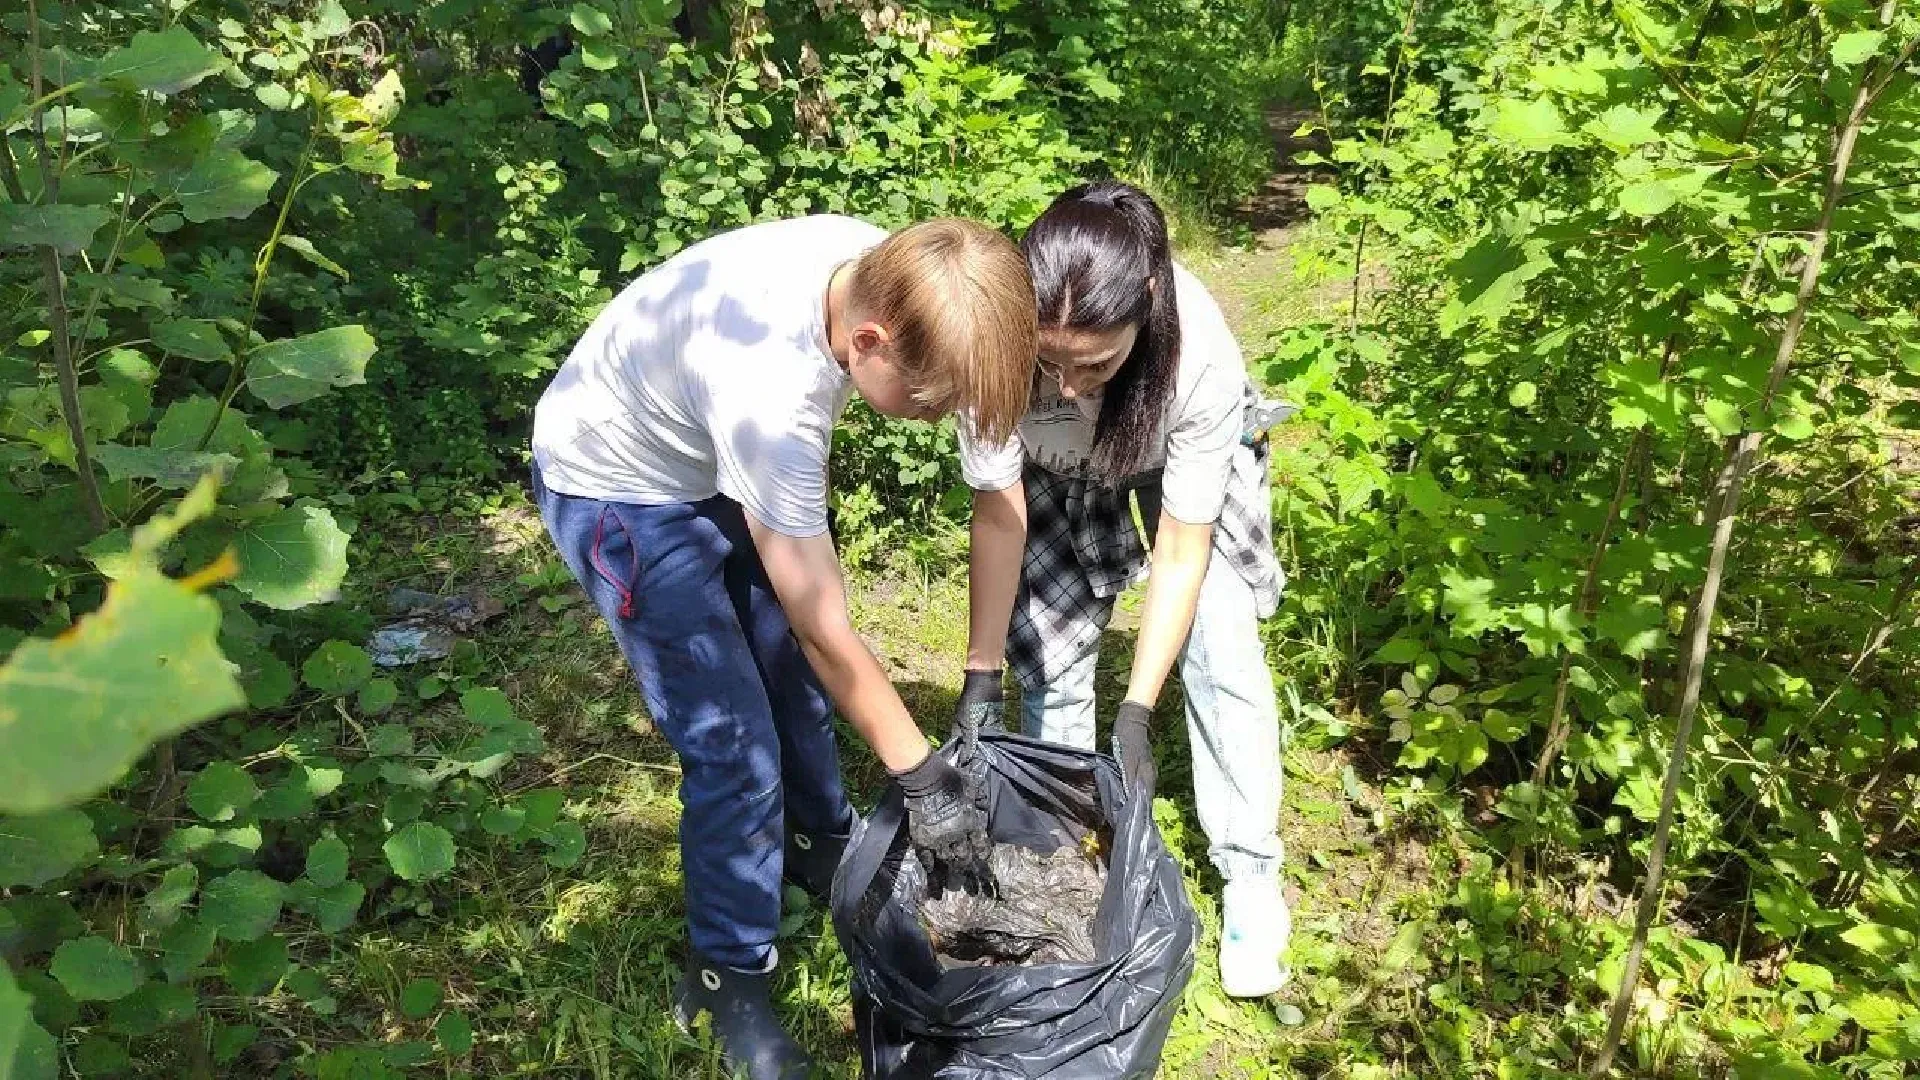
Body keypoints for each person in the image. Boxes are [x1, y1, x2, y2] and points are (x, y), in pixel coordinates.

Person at [530, 215, 1035, 1078]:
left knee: (793, 682)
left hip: (703, 446)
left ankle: (816, 843)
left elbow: (998, 490)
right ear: (867, 341)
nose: (936, 417)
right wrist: (922, 776)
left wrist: (983, 673)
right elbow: (824, 621)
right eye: (928, 402)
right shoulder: (771, 393)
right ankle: (727, 973)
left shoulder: (924, 284)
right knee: (732, 745)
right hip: (618, 482)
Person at [954, 181, 1294, 999]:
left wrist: (1139, 708)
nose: (1067, 385)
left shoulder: (1197, 357)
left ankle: (1249, 872)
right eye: (1049, 361)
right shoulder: (988, 345)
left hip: (1175, 471)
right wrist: (980, 674)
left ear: (1146, 304)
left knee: (1222, 644)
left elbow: (1181, 547)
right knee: (1053, 657)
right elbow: (1000, 520)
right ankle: (1066, 854)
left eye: (1096, 362)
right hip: (1058, 477)